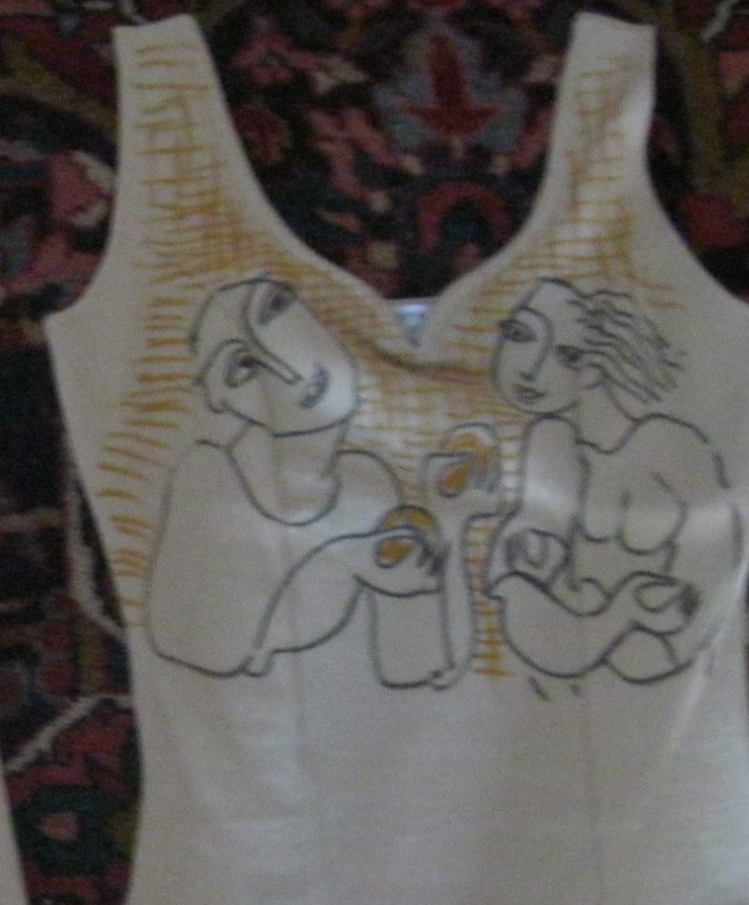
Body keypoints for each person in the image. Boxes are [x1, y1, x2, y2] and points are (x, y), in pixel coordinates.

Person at [143, 275, 498, 688]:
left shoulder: (367, 474)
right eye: (243, 366)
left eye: (275, 310)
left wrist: (451, 521)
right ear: (221, 400)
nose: (285, 368)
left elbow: (412, 668)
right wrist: (344, 563)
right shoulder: (206, 471)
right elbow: (189, 645)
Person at [485, 278, 736, 684]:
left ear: (599, 364)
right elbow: (519, 563)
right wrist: (526, 552)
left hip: (667, 658)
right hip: (567, 651)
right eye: (520, 335)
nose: (530, 368)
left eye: (568, 356)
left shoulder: (670, 443)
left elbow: (716, 570)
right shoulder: (550, 438)